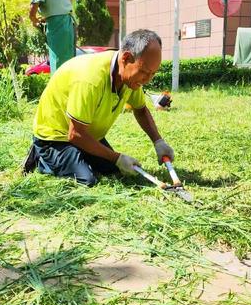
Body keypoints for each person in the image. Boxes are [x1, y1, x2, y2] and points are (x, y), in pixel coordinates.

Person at [23, 29, 175, 187]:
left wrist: (158, 141)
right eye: (144, 72)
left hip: (86, 133)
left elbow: (141, 110)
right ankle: (41, 158)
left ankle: (79, 155)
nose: (147, 80)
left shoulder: (130, 79)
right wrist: (117, 157)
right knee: (87, 180)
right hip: (55, 137)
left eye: (153, 74)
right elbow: (75, 134)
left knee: (113, 171)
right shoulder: (90, 79)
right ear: (126, 58)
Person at [29, 0, 75, 73]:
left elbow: (32, 11)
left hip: (57, 24)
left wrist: (34, 20)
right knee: (67, 61)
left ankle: (59, 84)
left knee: (59, 61)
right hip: (68, 21)